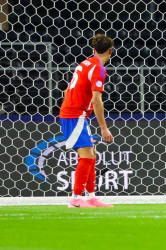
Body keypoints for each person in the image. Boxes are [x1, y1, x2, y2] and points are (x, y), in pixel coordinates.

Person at [59, 34, 114, 208]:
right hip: (75, 115)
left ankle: (91, 197)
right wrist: (104, 129)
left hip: (76, 113)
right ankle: (75, 199)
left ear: (94, 50)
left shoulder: (84, 63)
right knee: (87, 156)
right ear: (111, 51)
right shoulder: (98, 69)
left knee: (91, 155)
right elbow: (97, 100)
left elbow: (68, 89)